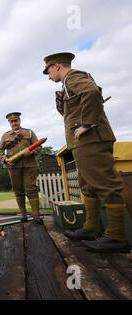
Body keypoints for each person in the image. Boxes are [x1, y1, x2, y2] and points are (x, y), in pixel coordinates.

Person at [43, 52, 129, 253]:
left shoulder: (73, 77)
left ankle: (116, 236)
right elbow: (79, 106)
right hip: (82, 143)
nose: (48, 76)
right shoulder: (66, 85)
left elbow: (91, 92)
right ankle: (91, 227)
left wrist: (87, 123)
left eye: (48, 71)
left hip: (92, 140)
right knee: (87, 185)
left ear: (56, 66)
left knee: (105, 183)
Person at [0, 112, 43, 224]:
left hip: (29, 165)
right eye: (11, 121)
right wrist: (4, 159)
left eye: (16, 120)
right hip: (13, 166)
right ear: (9, 123)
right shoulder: (5, 136)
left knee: (31, 189)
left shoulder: (29, 132)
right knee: (18, 190)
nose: (14, 123)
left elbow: (39, 147)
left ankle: (36, 215)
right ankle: (23, 214)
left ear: (19, 120)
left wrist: (31, 152)